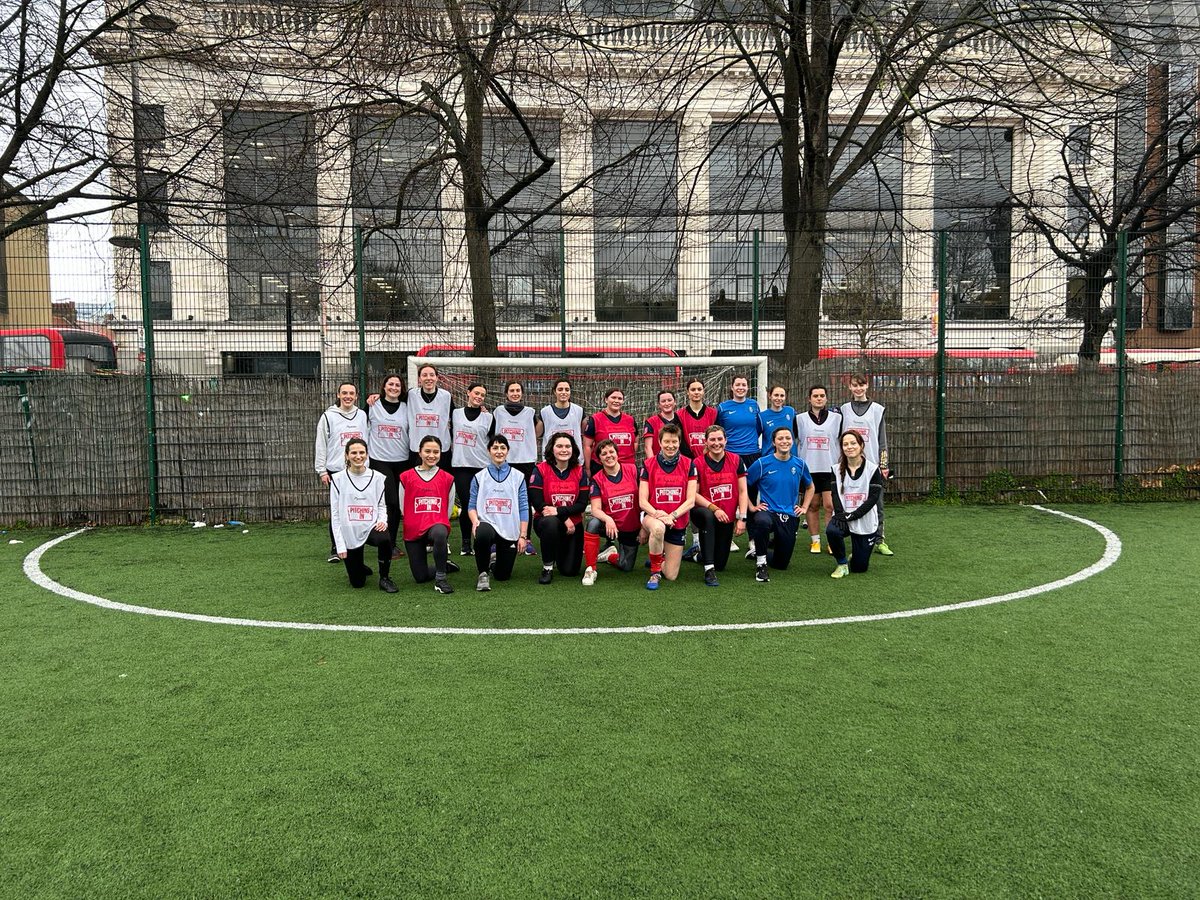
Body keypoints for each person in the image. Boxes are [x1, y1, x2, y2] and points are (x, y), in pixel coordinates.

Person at [745, 427, 815, 582]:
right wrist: (751, 506)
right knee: (762, 521)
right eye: (780, 438)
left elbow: (810, 487)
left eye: (788, 438)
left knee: (781, 563)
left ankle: (757, 551)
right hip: (767, 511)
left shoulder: (800, 464)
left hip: (789, 514)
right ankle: (761, 564)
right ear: (773, 442)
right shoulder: (762, 464)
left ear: (792, 441)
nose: (785, 441)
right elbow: (743, 485)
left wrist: (804, 507)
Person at [330, 439, 397, 593]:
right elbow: (335, 515)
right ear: (347, 455)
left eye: (361, 452)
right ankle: (358, 566)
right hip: (350, 531)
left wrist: (382, 521)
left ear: (367, 455)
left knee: (385, 538)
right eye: (353, 452)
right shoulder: (338, 480)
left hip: (371, 527)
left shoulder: (378, 477)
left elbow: (381, 505)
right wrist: (339, 545)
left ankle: (384, 578)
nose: (358, 456)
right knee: (358, 583)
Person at [839, 373, 894, 556]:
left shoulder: (878, 410)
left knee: (877, 503)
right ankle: (853, 540)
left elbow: (882, 441)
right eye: (855, 385)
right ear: (849, 387)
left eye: (861, 385)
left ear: (867, 386)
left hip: (872, 466)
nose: (858, 388)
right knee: (851, 502)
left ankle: (880, 539)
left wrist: (884, 465)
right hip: (850, 465)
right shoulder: (843, 409)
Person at [638, 423, 698, 590]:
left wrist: (672, 515)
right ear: (659, 442)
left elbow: (691, 501)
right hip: (653, 516)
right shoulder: (648, 464)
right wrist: (659, 514)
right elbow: (642, 501)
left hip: (676, 520)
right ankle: (655, 572)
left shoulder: (689, 464)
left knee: (671, 576)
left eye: (674, 442)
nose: (670, 446)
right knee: (658, 529)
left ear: (679, 442)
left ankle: (657, 557)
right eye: (666, 442)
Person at [468, 434, 530, 592]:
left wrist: (523, 536)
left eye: (503, 448)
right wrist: (475, 521)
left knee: (503, 576)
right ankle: (483, 573)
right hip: (487, 524)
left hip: (509, 530)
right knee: (482, 532)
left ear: (508, 451)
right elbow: (471, 506)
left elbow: (524, 507)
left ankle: (494, 562)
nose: (499, 451)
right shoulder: (479, 477)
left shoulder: (518, 477)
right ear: (489, 451)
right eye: (495, 448)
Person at [315, 381, 368, 563]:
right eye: (344, 393)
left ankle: (356, 544)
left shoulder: (361, 415)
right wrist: (322, 470)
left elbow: (367, 440)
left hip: (359, 470)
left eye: (351, 393)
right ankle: (336, 548)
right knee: (337, 510)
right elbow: (321, 444)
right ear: (338, 395)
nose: (348, 396)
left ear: (356, 396)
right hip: (336, 471)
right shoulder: (328, 416)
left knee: (357, 508)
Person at [398, 436, 459, 593]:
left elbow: (448, 508)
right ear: (419, 452)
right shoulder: (406, 477)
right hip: (413, 529)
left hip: (435, 526)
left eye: (436, 452)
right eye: (427, 451)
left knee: (440, 532)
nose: (432, 455)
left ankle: (441, 579)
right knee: (420, 577)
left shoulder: (448, 478)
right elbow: (402, 506)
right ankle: (444, 565)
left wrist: (438, 521)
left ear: (441, 453)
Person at [690, 425, 749, 586]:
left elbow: (743, 491)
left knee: (721, 564)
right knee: (708, 517)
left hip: (726, 517)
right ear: (706, 442)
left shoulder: (736, 460)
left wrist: (742, 518)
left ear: (725, 440)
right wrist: (714, 508)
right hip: (703, 512)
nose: (716, 443)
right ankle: (709, 570)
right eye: (712, 439)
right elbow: (693, 494)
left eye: (720, 439)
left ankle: (698, 556)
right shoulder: (697, 463)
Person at [529, 432, 590, 583]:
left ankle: (557, 550)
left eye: (568, 446)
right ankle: (548, 567)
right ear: (552, 449)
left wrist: (560, 511)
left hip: (573, 526)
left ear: (573, 449)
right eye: (559, 446)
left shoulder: (580, 471)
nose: (564, 450)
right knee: (551, 522)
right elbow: (537, 501)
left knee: (570, 571)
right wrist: (563, 517)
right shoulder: (541, 469)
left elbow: (582, 504)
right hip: (546, 522)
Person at [582, 438, 644, 586]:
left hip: (631, 526)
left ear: (617, 454)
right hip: (610, 527)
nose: (608, 455)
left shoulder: (633, 470)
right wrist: (608, 520)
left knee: (626, 567)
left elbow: (645, 500)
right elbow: (595, 509)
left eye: (611, 452)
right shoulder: (597, 480)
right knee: (593, 523)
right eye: (604, 453)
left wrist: (644, 526)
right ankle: (591, 569)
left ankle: (610, 555)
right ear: (599, 458)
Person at [827, 430, 884, 579]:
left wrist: (853, 515)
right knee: (832, 531)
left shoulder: (873, 469)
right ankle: (842, 564)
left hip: (864, 519)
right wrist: (840, 514)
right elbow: (835, 494)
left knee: (859, 568)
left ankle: (857, 555)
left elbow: (873, 499)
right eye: (845, 444)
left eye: (853, 443)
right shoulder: (835, 469)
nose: (849, 447)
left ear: (861, 446)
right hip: (843, 516)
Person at [717, 374, 763, 557]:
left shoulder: (754, 406)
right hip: (731, 456)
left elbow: (758, 429)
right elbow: (718, 430)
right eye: (738, 385)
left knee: (750, 495)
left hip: (752, 454)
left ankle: (753, 541)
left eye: (744, 385)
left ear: (747, 387)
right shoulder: (723, 408)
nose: (741, 387)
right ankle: (727, 538)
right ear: (732, 387)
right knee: (728, 496)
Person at [794, 383, 841, 554]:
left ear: (826, 398)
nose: (819, 398)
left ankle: (831, 541)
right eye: (815, 396)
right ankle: (815, 541)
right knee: (813, 505)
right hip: (809, 468)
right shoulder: (799, 419)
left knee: (829, 506)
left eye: (822, 396)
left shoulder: (837, 419)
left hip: (829, 468)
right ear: (809, 399)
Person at [367, 373, 410, 558]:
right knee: (390, 501)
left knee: (398, 505)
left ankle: (390, 541)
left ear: (402, 389)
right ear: (383, 387)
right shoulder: (372, 405)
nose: (394, 387)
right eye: (390, 384)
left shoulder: (407, 407)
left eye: (398, 385)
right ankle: (387, 543)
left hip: (402, 460)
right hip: (379, 460)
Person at [449, 382, 493, 555]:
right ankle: (466, 543)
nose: (479, 397)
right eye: (476, 393)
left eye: (482, 395)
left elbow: (494, 441)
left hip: (482, 467)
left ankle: (482, 541)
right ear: (468, 393)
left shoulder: (489, 418)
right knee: (468, 504)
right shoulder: (455, 413)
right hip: (461, 466)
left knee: (481, 506)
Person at [492, 380, 541, 479]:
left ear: (522, 393)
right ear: (506, 393)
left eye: (518, 390)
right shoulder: (498, 411)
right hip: (504, 459)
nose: (515, 393)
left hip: (526, 460)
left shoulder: (530, 412)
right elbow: (491, 434)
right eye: (512, 391)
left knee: (525, 492)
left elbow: (537, 433)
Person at [407, 363, 453, 468]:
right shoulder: (411, 395)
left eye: (432, 375)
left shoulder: (446, 396)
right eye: (424, 375)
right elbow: (392, 400)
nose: (428, 378)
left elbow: (456, 417)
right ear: (419, 379)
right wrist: (378, 396)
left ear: (437, 378)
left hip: (441, 450)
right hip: (416, 450)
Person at [582, 388, 638, 473]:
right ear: (606, 399)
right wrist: (588, 468)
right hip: (602, 467)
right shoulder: (595, 419)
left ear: (623, 401)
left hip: (627, 468)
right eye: (613, 397)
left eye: (620, 398)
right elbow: (587, 446)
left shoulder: (630, 420)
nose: (616, 401)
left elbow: (635, 441)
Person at [539, 379, 585, 453]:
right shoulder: (545, 412)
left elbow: (585, 434)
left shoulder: (579, 411)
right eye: (560, 389)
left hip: (574, 458)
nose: (564, 392)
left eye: (567, 390)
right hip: (551, 458)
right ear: (554, 391)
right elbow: (536, 435)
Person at [679, 377, 719, 458]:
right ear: (687, 392)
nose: (696, 392)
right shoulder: (679, 415)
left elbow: (716, 436)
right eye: (693, 390)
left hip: (710, 459)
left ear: (703, 391)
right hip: (688, 460)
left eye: (699, 389)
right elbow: (680, 440)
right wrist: (691, 457)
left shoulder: (713, 413)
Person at [641, 389, 680, 459]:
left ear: (675, 402)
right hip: (658, 463)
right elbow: (648, 447)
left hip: (678, 463)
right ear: (659, 405)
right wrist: (653, 465)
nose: (667, 403)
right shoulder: (651, 422)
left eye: (669, 400)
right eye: (663, 401)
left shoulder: (681, 419)